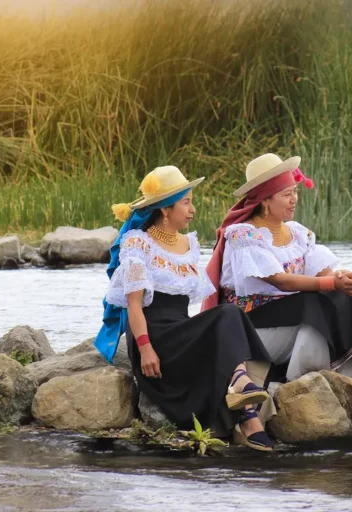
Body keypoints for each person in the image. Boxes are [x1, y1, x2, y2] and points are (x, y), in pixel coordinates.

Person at [95, 165, 275, 451]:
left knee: (230, 314)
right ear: (166, 210)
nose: (193, 210)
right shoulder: (138, 243)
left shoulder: (188, 245)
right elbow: (133, 304)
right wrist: (145, 348)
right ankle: (246, 406)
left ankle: (245, 404)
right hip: (156, 337)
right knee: (228, 314)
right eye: (186, 202)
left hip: (179, 329)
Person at [202, 153, 352, 389]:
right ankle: (303, 381)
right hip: (254, 321)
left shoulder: (297, 233)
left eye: (295, 192)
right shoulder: (244, 235)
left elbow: (323, 274)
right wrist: (330, 284)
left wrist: (340, 278)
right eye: (286, 194)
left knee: (338, 295)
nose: (294, 199)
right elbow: (281, 281)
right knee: (315, 302)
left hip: (291, 313)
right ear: (265, 201)